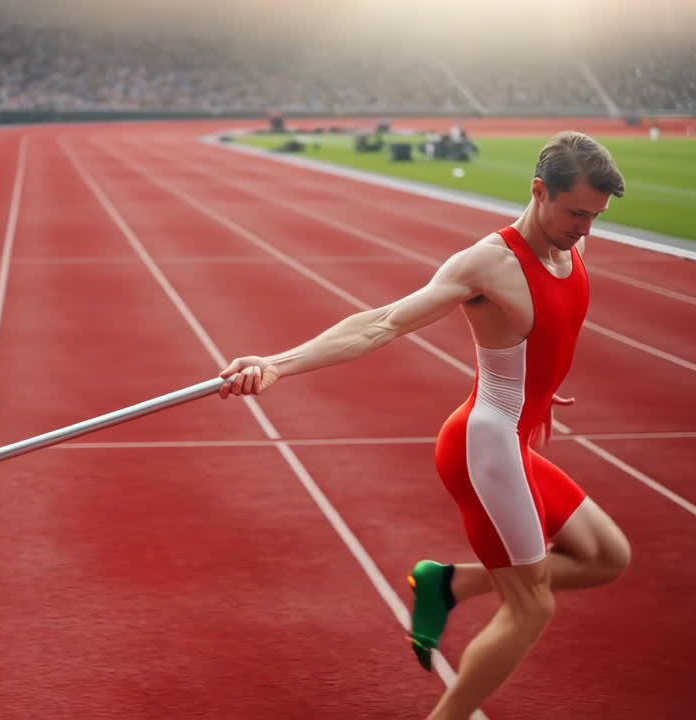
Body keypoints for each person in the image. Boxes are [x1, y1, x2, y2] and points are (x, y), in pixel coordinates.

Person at [218, 131, 633, 719]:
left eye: (595, 216)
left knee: (606, 558)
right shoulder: (488, 263)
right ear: (540, 192)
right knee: (531, 605)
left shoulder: (569, 248)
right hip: (485, 446)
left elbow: (542, 333)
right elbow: (380, 323)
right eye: (577, 213)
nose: (586, 228)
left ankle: (447, 585)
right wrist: (276, 366)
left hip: (512, 438)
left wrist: (542, 385)